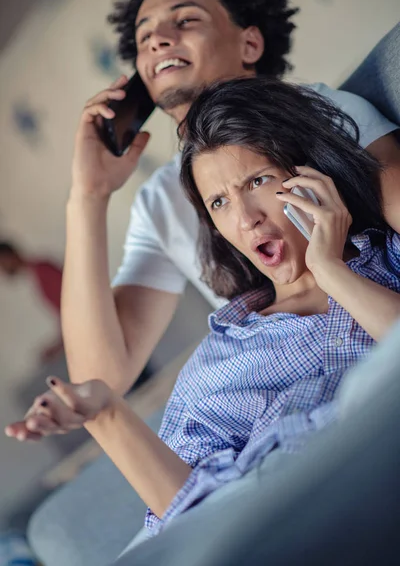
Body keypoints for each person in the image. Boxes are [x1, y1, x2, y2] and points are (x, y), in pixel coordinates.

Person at [7, 78, 400, 558]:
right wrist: (108, 416)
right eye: (219, 203)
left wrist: (331, 271)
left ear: (312, 174)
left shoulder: (386, 260)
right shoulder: (222, 354)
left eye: (258, 181)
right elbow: (188, 510)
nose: (246, 218)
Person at [5, 0, 400, 444]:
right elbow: (101, 380)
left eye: (185, 21)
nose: (157, 40)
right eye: (144, 35)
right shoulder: (160, 202)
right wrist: (87, 196)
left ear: (249, 44)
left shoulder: (324, 116)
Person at [0, 241, 64, 363]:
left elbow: (73, 308)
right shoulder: (37, 272)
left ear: (7, 257)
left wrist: (61, 344)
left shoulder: (42, 270)